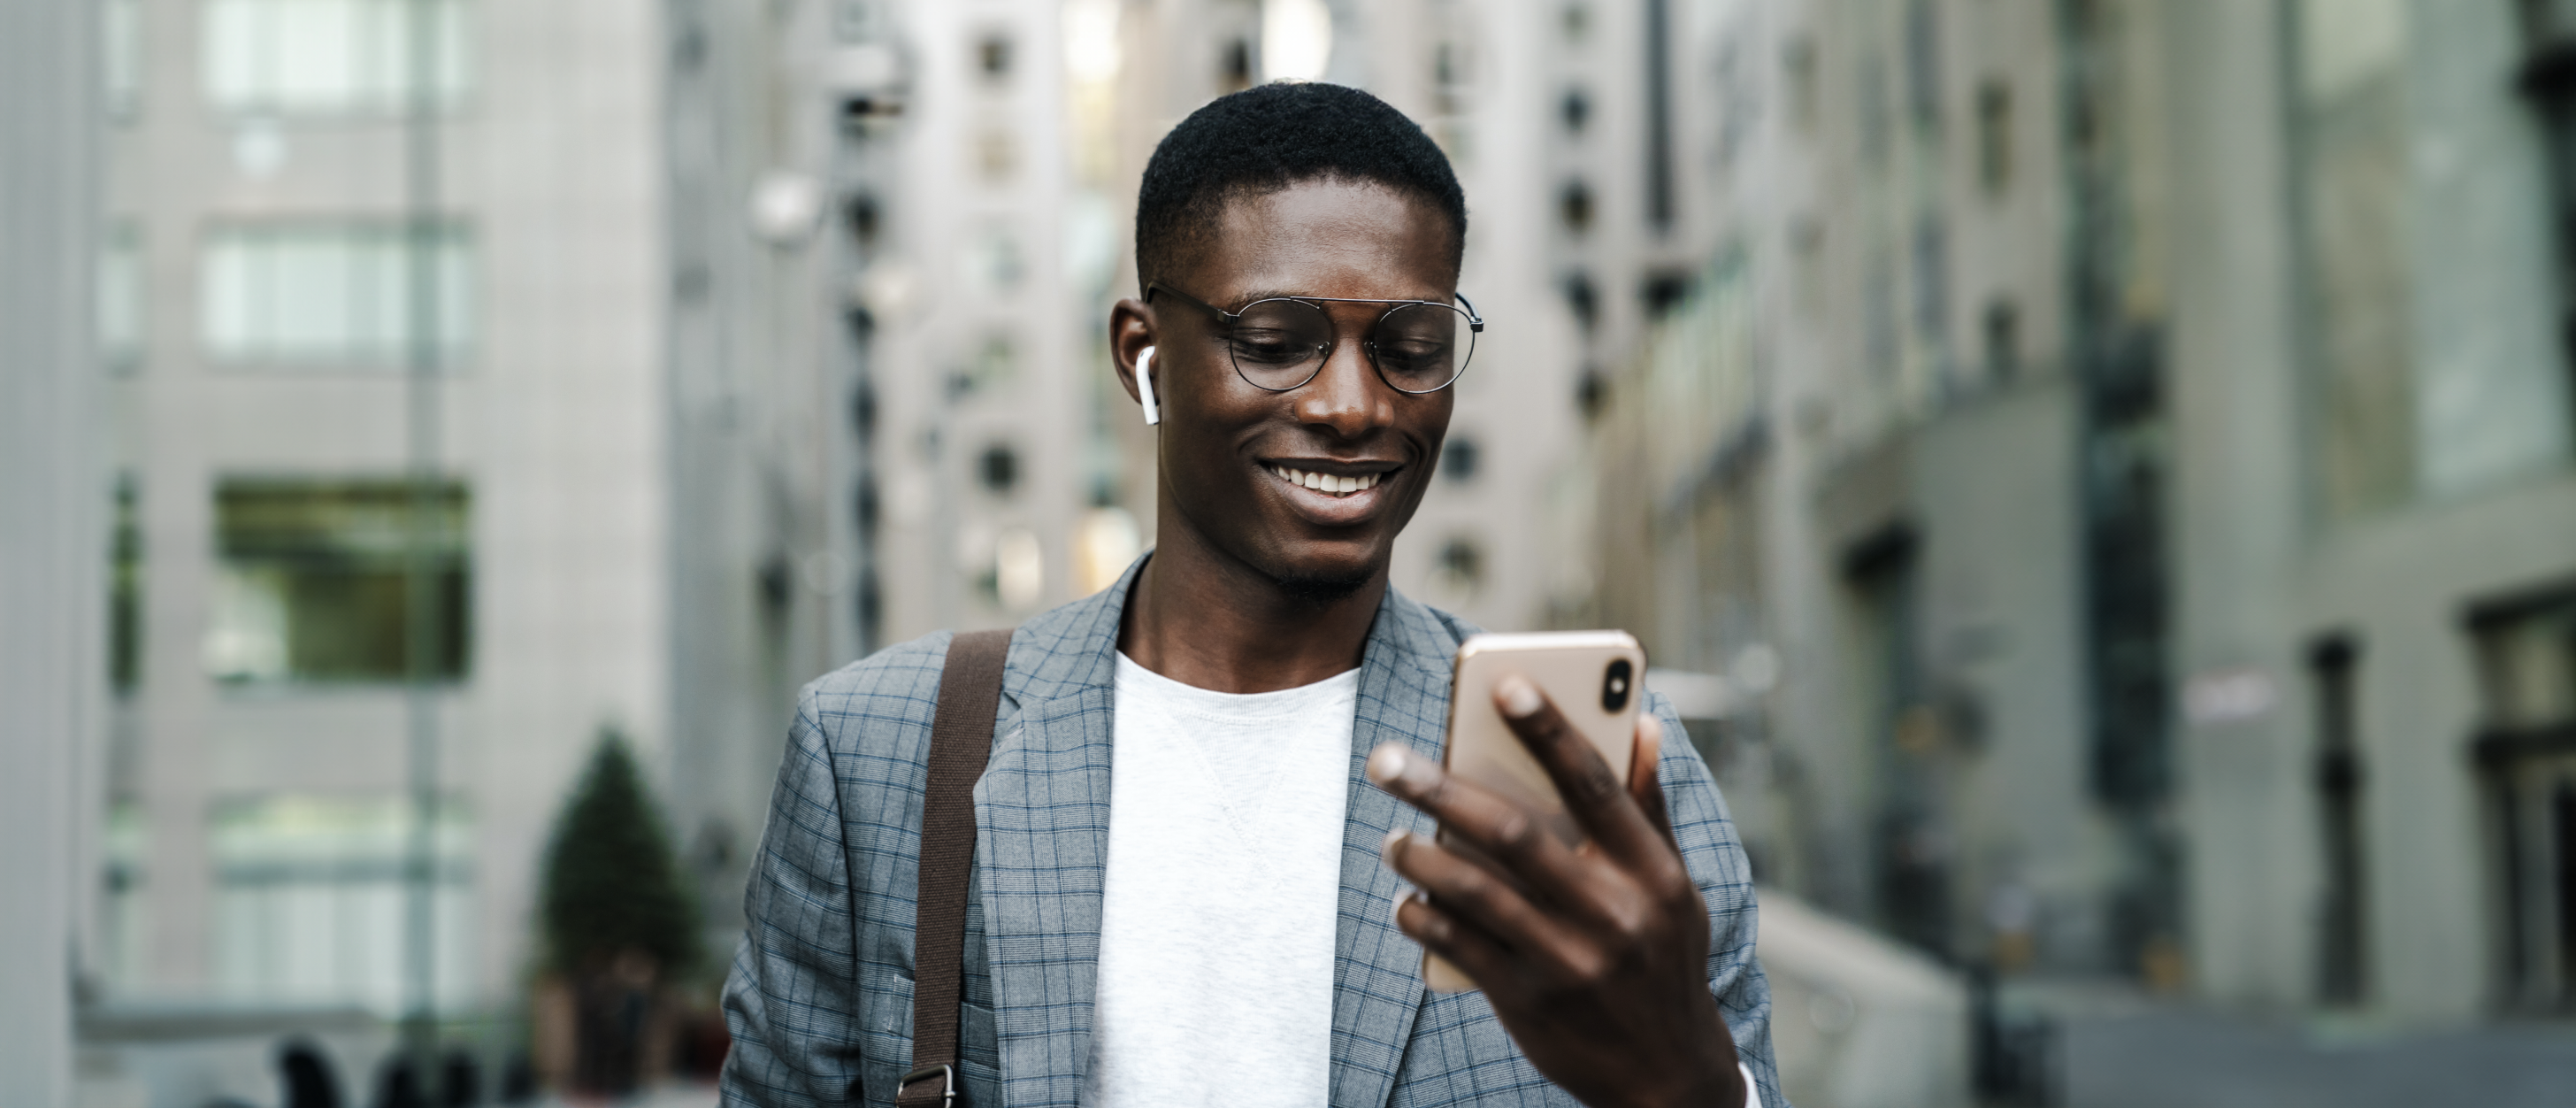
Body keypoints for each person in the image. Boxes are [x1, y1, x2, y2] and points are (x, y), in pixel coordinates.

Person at [719, 81, 1779, 1108]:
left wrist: (1685, 1086)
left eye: (1409, 348)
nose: (1354, 405)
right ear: (1145, 357)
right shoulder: (881, 751)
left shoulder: (1596, 767)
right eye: (1276, 344)